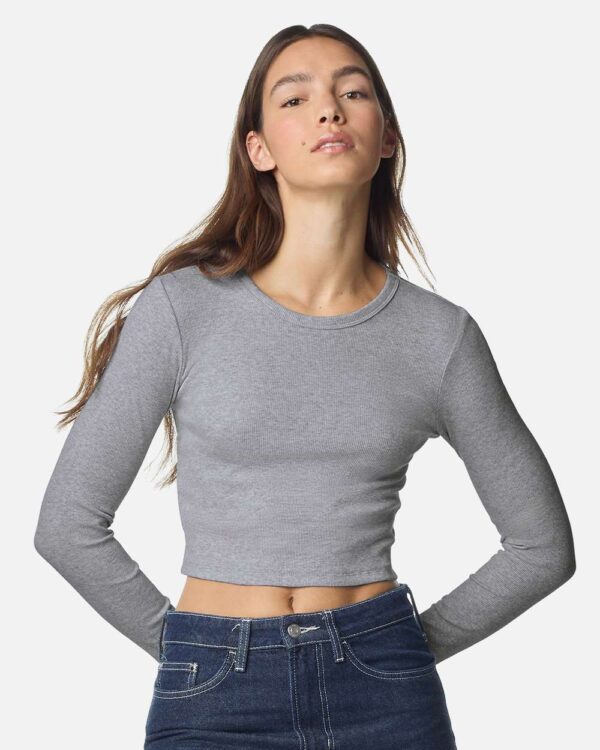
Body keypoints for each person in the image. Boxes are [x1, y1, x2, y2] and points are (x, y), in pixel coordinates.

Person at [33, 23, 576, 749]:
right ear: (259, 149)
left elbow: (542, 546)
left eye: (353, 92)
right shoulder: (181, 310)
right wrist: (192, 650)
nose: (328, 109)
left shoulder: (439, 336)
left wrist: (399, 650)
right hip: (213, 701)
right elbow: (67, 525)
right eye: (296, 98)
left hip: (386, 699)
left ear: (386, 137)